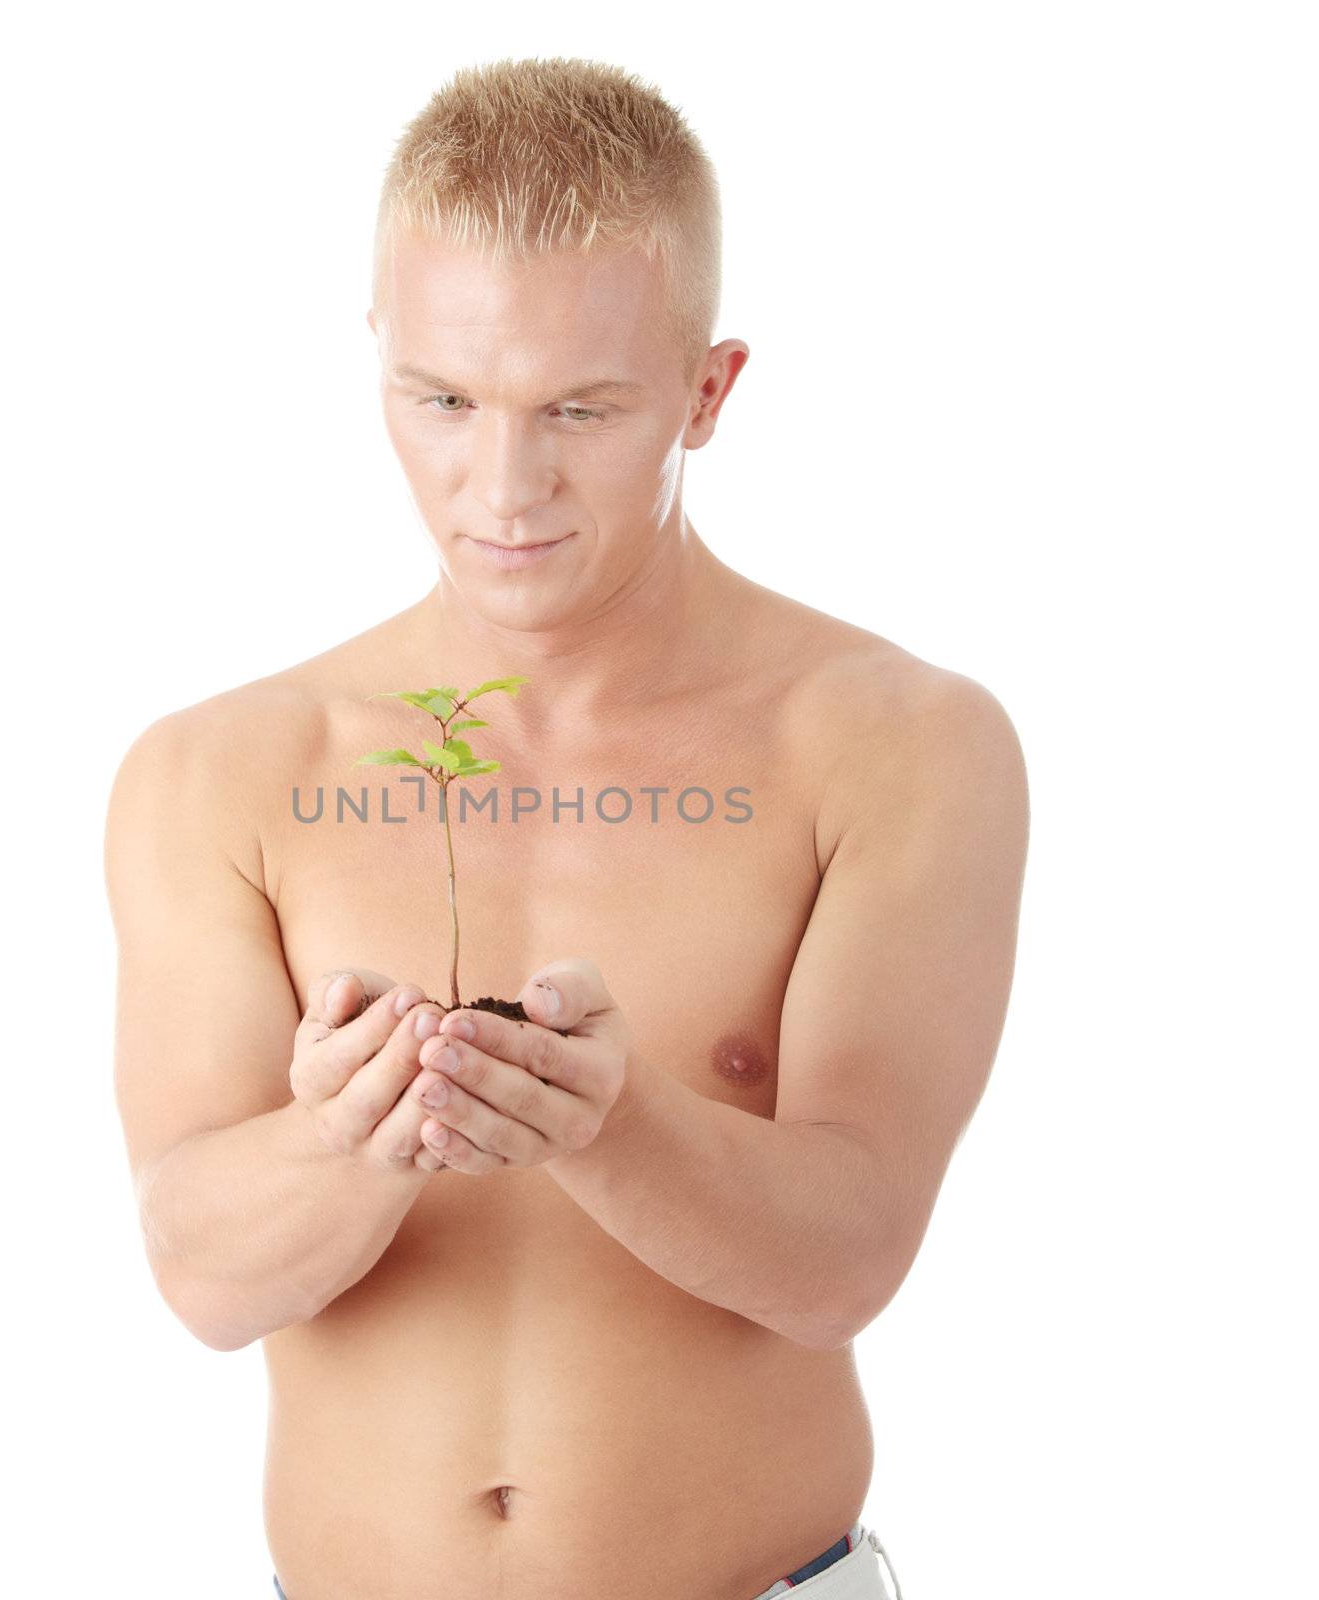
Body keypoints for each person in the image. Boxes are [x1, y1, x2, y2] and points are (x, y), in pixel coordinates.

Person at [104, 55, 1028, 1600]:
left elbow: (850, 1259)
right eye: (443, 401)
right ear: (380, 367)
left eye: (579, 411)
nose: (501, 484)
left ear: (708, 392)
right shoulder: (222, 770)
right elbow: (201, 1276)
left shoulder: (898, 745)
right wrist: (350, 1134)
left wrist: (614, 1123)